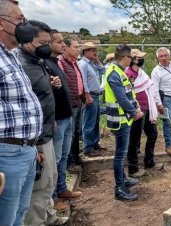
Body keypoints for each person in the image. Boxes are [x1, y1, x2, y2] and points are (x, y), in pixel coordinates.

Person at [16, 20, 68, 226]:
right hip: (33, 137)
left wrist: (52, 84)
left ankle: (48, 216)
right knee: (39, 185)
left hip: (46, 129)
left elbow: (38, 94)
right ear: (27, 42)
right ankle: (37, 222)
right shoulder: (22, 65)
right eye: (43, 42)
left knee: (50, 178)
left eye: (49, 41)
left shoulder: (38, 61)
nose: (47, 46)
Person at [0, 2, 43, 225]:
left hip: (24, 149)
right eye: (19, 20)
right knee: (5, 217)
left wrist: (31, 146)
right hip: (7, 155)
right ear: (1, 23)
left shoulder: (11, 56)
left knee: (19, 212)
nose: (25, 26)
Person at [47, 30, 82, 212]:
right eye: (59, 42)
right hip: (58, 119)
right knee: (56, 157)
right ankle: (53, 198)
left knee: (62, 156)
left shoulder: (55, 63)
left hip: (67, 115)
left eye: (63, 41)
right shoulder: (46, 63)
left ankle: (61, 189)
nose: (62, 44)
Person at [104, 44, 141, 201]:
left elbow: (129, 94)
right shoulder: (114, 74)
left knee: (122, 153)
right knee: (120, 155)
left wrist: (136, 107)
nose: (132, 60)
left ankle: (123, 179)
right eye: (131, 57)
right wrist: (134, 112)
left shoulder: (120, 72)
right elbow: (121, 99)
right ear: (125, 57)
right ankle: (119, 187)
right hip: (119, 120)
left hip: (124, 118)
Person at [125, 49, 163, 178]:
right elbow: (127, 93)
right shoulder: (127, 74)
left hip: (147, 108)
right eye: (139, 57)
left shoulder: (141, 73)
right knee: (134, 139)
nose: (142, 60)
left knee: (152, 134)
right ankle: (133, 168)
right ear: (133, 59)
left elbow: (149, 89)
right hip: (137, 110)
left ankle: (149, 161)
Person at [58, 39, 84, 172]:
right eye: (75, 47)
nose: (78, 49)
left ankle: (76, 158)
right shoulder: (61, 62)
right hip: (70, 103)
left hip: (78, 101)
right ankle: (70, 162)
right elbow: (63, 85)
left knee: (77, 132)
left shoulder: (74, 63)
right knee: (70, 134)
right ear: (66, 48)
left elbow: (79, 81)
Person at [78, 42, 106, 157]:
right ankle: (88, 148)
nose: (95, 52)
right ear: (86, 51)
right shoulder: (83, 64)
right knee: (89, 122)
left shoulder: (92, 64)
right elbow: (83, 81)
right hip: (90, 96)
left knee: (95, 121)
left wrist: (97, 60)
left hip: (96, 95)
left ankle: (95, 143)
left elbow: (103, 71)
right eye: (92, 50)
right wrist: (87, 95)